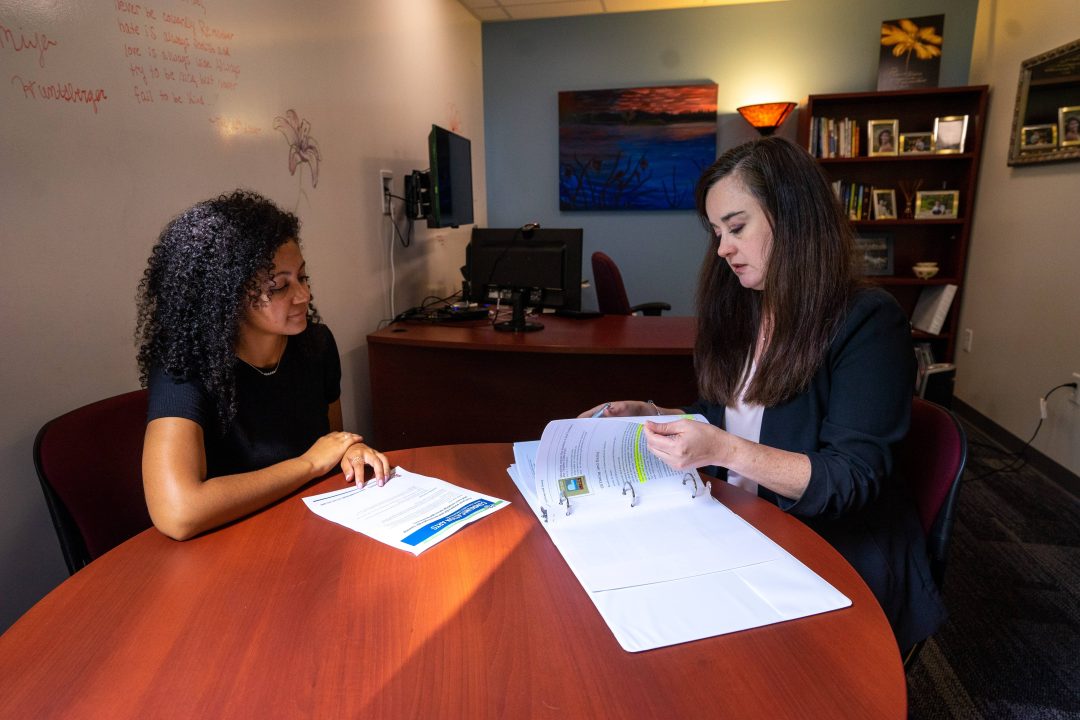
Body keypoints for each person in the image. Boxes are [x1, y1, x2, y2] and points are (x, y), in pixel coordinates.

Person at [581, 137, 944, 654]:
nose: (724, 248)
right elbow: (733, 416)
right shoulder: (750, 306)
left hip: (830, 546)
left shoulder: (867, 320)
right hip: (747, 520)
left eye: (736, 227)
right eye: (716, 233)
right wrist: (656, 413)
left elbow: (852, 477)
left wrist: (721, 451)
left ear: (791, 216)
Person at [136, 190, 389, 541]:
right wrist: (308, 464)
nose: (303, 295)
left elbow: (330, 442)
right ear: (226, 296)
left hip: (310, 529)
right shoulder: (185, 372)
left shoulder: (316, 345)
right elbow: (177, 512)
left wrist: (350, 450)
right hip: (233, 547)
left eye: (303, 277)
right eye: (280, 286)